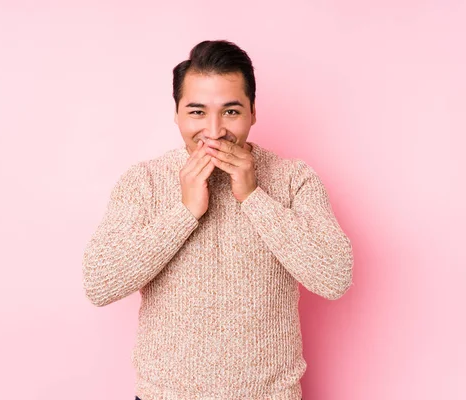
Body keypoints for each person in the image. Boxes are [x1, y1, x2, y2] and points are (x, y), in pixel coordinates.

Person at [82, 39, 353, 400]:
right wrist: (185, 212)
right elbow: (100, 283)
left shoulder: (292, 179)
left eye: (230, 111)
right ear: (176, 113)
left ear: (253, 111)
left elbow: (334, 277)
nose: (213, 131)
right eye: (197, 112)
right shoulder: (144, 181)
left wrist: (254, 197)